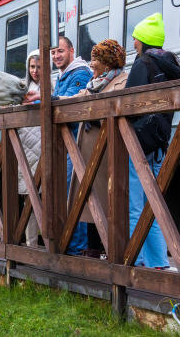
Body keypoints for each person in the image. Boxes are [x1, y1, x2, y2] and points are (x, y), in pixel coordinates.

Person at [126, 13, 180, 269]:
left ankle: (136, 260)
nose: (134, 44)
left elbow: (127, 104)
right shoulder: (172, 65)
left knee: (136, 204)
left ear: (144, 40)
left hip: (139, 141)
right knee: (155, 203)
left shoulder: (143, 65)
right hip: (160, 141)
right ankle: (158, 261)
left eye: (136, 39)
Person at [68, 40, 129, 255]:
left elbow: (119, 112)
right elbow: (78, 99)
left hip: (109, 151)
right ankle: (94, 250)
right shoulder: (95, 82)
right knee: (91, 199)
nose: (91, 63)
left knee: (108, 201)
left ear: (107, 62)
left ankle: (111, 250)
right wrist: (57, 100)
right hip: (91, 151)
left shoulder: (122, 81)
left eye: (96, 59)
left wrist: (94, 118)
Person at [49, 36, 93, 255]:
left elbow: (70, 109)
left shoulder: (80, 73)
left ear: (71, 51)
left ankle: (77, 249)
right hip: (68, 143)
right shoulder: (63, 75)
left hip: (76, 143)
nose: (56, 56)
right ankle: (72, 246)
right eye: (53, 53)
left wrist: (45, 100)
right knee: (68, 195)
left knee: (73, 195)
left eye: (60, 51)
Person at [17, 49, 42, 247]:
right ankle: (31, 244)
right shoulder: (24, 88)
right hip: (27, 146)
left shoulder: (51, 86)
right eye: (32, 66)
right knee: (30, 199)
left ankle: (47, 244)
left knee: (45, 197)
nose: (35, 70)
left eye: (39, 66)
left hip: (43, 145)